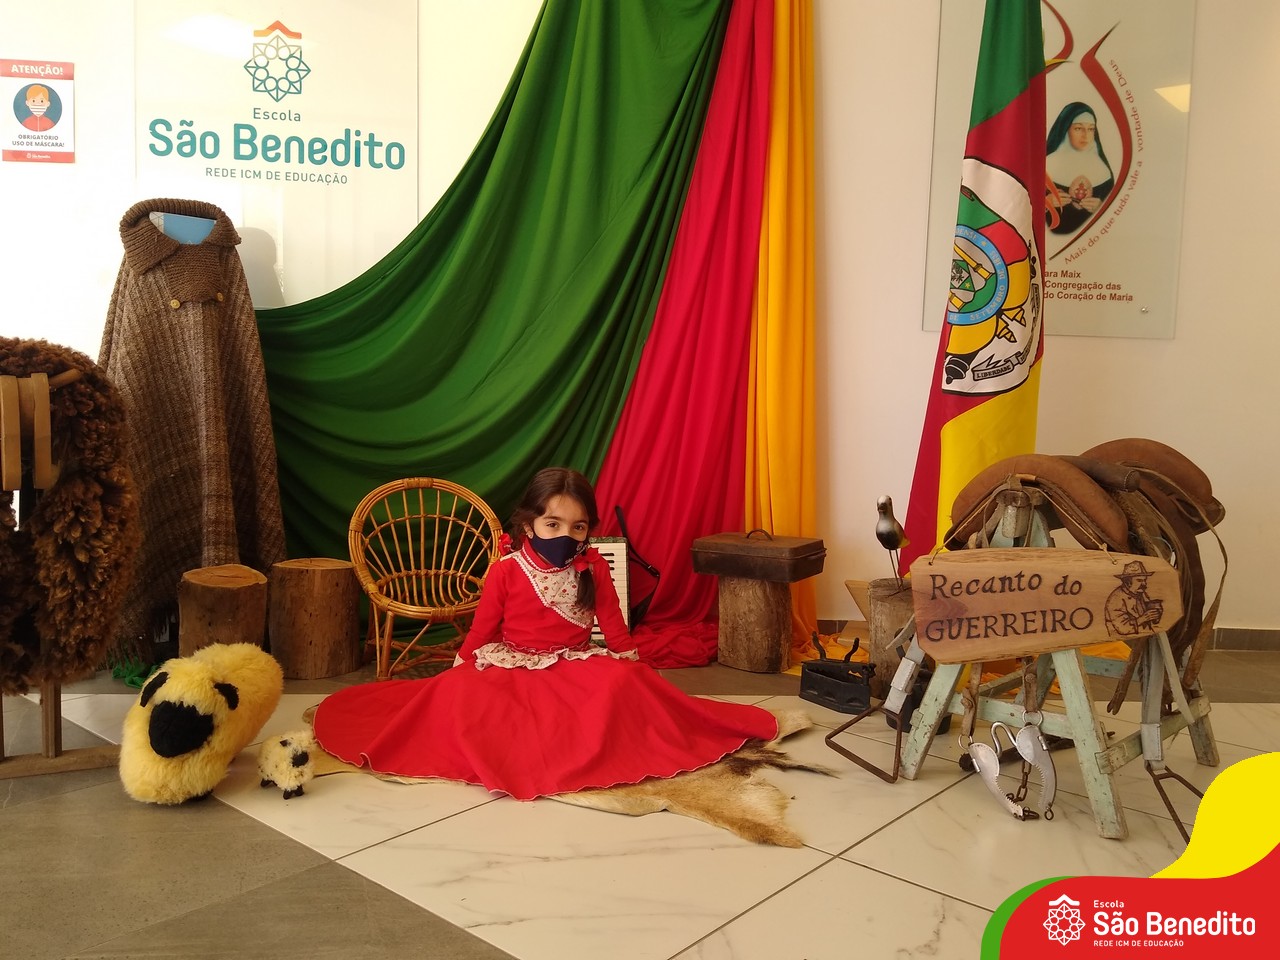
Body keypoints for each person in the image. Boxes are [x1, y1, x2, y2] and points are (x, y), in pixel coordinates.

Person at [312, 467, 780, 800]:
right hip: (512, 662)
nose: (564, 535)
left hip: (573, 662)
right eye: (552, 524)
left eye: (577, 527)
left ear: (588, 530)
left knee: (624, 684)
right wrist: (463, 662)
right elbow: (483, 628)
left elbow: (614, 626)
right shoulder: (506, 570)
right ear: (528, 524)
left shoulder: (592, 566)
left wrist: (631, 663)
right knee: (461, 696)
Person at [1045, 102, 1114, 235]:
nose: (1085, 135)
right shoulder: (1047, 165)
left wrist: (1102, 208)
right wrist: (1046, 203)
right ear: (1066, 129)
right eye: (1078, 128)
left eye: (1091, 129)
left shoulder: (1103, 170)